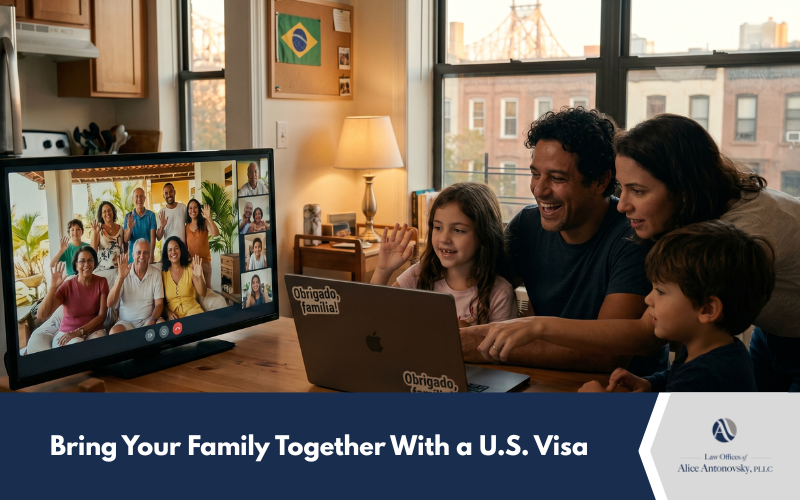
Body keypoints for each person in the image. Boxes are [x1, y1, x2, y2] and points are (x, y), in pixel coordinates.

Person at [474, 114, 800, 391]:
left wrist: (537, 326)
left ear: (684, 191)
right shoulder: (694, 216)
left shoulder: (739, 236)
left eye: (638, 191)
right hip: (774, 332)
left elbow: (647, 333)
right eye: (623, 187)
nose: (624, 204)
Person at [463, 107, 663, 374]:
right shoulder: (527, 225)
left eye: (557, 178)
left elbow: (606, 357)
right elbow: (473, 284)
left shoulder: (634, 236)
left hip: (620, 391)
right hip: (545, 380)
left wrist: (477, 345)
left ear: (601, 181)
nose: (539, 189)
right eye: (535, 174)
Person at [579, 221, 772, 392]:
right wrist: (652, 383)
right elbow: (677, 375)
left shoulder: (704, 376)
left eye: (660, 291)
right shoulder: (717, 353)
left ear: (708, 309)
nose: (648, 300)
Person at [371, 182, 517, 327]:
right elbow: (372, 313)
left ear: (484, 235)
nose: (444, 239)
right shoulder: (419, 274)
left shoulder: (500, 292)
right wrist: (383, 271)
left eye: (458, 230)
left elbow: (502, 348)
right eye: (438, 227)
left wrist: (469, 336)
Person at [37, 247, 108, 348]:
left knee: (97, 349)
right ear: (76, 264)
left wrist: (79, 332)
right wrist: (53, 288)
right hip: (68, 332)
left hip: (94, 330)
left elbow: (102, 316)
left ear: (95, 262)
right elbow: (42, 315)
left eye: (90, 260)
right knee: (76, 348)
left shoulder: (102, 282)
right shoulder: (67, 286)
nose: (86, 264)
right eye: (82, 261)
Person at [107, 241, 165, 334]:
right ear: (133, 255)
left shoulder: (156, 273)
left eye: (145, 252)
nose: (142, 256)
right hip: (126, 323)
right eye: (138, 252)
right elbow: (110, 303)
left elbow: (159, 304)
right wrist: (121, 277)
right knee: (114, 332)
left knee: (162, 325)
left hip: (148, 320)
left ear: (149, 255)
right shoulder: (124, 273)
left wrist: (152, 321)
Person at [161, 236, 206, 319]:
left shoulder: (190, 267)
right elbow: (160, 302)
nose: (173, 252)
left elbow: (203, 293)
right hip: (174, 317)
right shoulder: (162, 274)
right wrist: (169, 313)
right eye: (170, 250)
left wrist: (199, 276)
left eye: (176, 248)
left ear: (181, 250)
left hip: (193, 311)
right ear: (166, 254)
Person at [185, 198, 220, 288]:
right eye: (190, 208)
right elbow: (186, 246)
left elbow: (215, 234)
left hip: (205, 263)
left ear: (199, 209)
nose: (193, 210)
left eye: (195, 207)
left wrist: (209, 218)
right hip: (193, 264)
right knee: (196, 290)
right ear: (188, 210)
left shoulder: (204, 223)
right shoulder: (186, 227)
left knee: (207, 289)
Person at [123, 187, 157, 264]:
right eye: (136, 196)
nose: (139, 199)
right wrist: (129, 228)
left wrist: (151, 256)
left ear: (144, 198)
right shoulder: (128, 216)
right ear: (132, 199)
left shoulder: (151, 215)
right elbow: (125, 239)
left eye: (141, 196)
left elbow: (153, 238)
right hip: (133, 258)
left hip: (146, 256)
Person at [91, 201, 123, 271]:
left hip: (119, 270)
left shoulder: (121, 229)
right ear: (101, 215)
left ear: (113, 212)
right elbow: (93, 251)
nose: (107, 213)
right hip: (103, 269)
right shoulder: (98, 229)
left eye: (109, 210)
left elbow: (125, 248)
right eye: (104, 212)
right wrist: (95, 233)